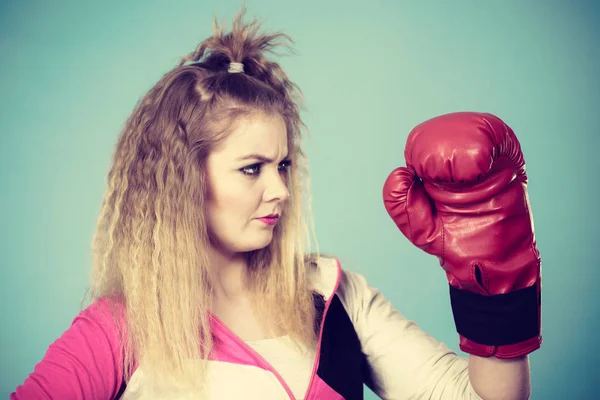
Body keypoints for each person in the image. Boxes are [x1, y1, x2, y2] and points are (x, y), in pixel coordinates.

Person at [11, 9, 541, 400]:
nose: (281, 191)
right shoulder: (120, 328)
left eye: (283, 165)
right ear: (181, 183)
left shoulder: (334, 296)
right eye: (252, 168)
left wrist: (493, 282)